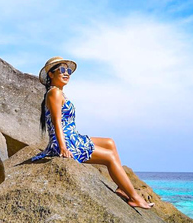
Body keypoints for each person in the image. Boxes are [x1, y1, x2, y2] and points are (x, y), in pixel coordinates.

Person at [33, 56, 155, 209]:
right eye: (62, 70)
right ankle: (134, 197)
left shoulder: (59, 93)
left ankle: (121, 186)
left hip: (73, 137)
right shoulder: (54, 93)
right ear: (51, 74)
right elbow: (56, 121)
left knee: (109, 142)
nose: (67, 73)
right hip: (66, 142)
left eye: (69, 71)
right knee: (109, 157)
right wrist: (63, 148)